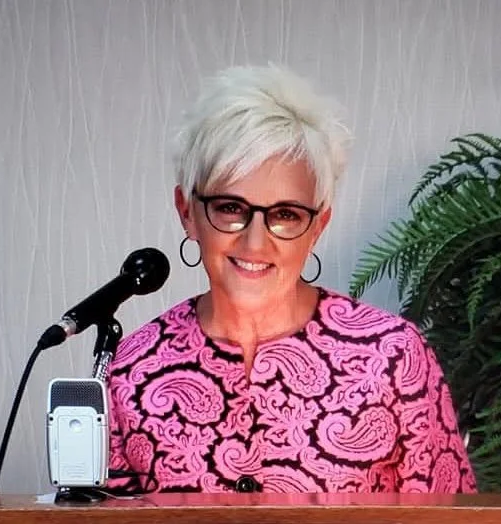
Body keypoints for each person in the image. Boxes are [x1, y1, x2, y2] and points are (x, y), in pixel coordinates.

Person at [106, 64, 476, 494]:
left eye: (285, 214)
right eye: (230, 207)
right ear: (187, 211)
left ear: (318, 226)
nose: (255, 241)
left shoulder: (392, 357)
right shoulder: (133, 368)